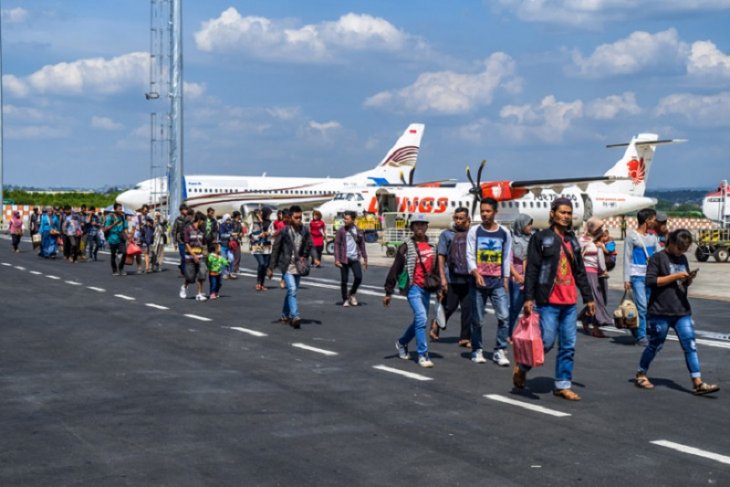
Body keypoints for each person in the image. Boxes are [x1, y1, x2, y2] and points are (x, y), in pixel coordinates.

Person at [516, 197, 595, 401]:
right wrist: (529, 298)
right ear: (553, 214)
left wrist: (588, 298)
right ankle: (524, 367)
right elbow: (532, 269)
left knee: (568, 345)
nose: (566, 216)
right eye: (562, 212)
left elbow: (580, 271)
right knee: (547, 341)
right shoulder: (541, 238)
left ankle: (563, 384)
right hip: (548, 301)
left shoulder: (572, 240)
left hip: (569, 302)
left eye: (569, 213)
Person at [634, 229, 719, 396]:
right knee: (655, 345)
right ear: (670, 242)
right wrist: (675, 276)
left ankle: (697, 382)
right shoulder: (657, 258)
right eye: (679, 248)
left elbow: (682, 284)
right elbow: (651, 281)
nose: (681, 252)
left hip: (681, 309)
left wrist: (687, 279)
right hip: (660, 310)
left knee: (690, 345)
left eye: (684, 249)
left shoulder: (683, 259)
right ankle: (641, 373)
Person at [384, 215, 438, 368]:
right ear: (412, 228)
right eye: (416, 225)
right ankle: (423, 355)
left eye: (423, 224)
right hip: (413, 287)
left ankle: (402, 343)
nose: (420, 227)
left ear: (427, 227)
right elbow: (396, 268)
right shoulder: (406, 246)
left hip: (427, 288)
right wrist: (389, 291)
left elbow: (437, 269)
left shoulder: (432, 245)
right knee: (421, 318)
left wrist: (440, 288)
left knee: (419, 322)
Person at [466, 198, 512, 367]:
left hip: (497, 281)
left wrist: (506, 278)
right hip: (478, 282)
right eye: (482, 211)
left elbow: (507, 256)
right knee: (478, 319)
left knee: (504, 316)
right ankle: (477, 349)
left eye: (488, 211)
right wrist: (475, 272)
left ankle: (500, 350)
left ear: (495, 212)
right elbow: (469, 254)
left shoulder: (504, 232)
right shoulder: (474, 231)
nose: (484, 214)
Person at [430, 207, 472, 347]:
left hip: (468, 277)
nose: (458, 221)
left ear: (468, 220)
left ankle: (465, 338)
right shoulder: (446, 235)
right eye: (456, 218)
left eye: (462, 218)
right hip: (451, 277)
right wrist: (442, 278)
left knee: (467, 308)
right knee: (450, 306)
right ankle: (436, 323)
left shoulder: (472, 234)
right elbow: (441, 257)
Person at [267, 205, 313, 329]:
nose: (299, 219)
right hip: (287, 265)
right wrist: (271, 267)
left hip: (298, 266)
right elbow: (276, 249)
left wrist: (310, 256)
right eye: (296, 217)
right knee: (292, 289)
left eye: (300, 217)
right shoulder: (284, 231)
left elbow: (310, 243)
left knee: (292, 291)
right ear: (291, 218)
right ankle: (295, 316)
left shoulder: (304, 230)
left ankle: (284, 314)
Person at [623, 208, 658, 346]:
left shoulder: (653, 238)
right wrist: (626, 279)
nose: (655, 222)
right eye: (653, 219)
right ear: (647, 220)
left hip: (650, 277)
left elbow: (659, 255)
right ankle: (641, 336)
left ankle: (639, 329)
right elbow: (627, 258)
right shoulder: (631, 237)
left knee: (649, 306)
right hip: (637, 277)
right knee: (642, 306)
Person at [578, 217, 611, 338]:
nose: (602, 230)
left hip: (598, 273)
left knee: (600, 298)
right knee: (597, 299)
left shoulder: (596, 241)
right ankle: (596, 328)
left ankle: (585, 318)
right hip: (589, 272)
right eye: (599, 227)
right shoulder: (586, 241)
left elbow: (601, 259)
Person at [507, 214, 533, 340]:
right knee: (515, 308)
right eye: (528, 224)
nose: (530, 227)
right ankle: (508, 333)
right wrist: (517, 275)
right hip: (517, 279)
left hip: (530, 278)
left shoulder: (533, 239)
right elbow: (509, 261)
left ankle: (525, 333)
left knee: (531, 308)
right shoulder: (512, 240)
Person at [334, 210, 368, 307]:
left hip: (354, 258)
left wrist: (365, 258)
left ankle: (352, 293)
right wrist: (336, 259)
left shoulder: (358, 230)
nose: (344, 220)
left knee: (358, 277)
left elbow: (362, 245)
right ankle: (345, 299)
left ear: (353, 220)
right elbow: (336, 245)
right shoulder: (341, 231)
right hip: (343, 258)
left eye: (347, 219)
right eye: (344, 218)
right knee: (344, 280)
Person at [181, 211, 208, 301]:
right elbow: (186, 243)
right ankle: (184, 287)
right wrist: (193, 255)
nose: (204, 223)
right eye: (203, 221)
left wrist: (205, 253)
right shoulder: (188, 229)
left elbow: (204, 243)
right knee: (190, 277)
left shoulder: (202, 231)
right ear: (199, 220)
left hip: (200, 256)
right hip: (190, 256)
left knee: (202, 275)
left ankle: (199, 294)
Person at [250, 208, 273, 292]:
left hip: (267, 246)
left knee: (265, 265)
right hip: (257, 246)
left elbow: (272, 232)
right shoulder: (254, 223)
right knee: (262, 263)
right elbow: (250, 235)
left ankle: (262, 284)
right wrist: (258, 236)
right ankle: (258, 283)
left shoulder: (270, 223)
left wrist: (268, 233)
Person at [103, 203, 128, 276]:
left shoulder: (122, 217)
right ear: (115, 209)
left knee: (125, 253)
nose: (121, 210)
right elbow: (106, 229)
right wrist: (115, 223)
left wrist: (128, 237)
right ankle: (114, 270)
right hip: (112, 238)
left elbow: (125, 228)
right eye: (119, 209)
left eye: (121, 209)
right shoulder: (110, 217)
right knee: (113, 255)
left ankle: (121, 268)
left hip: (121, 238)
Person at [228, 211, 244, 277]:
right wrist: (236, 235)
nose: (240, 216)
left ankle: (236, 268)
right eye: (239, 215)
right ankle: (233, 269)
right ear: (237, 216)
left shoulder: (239, 223)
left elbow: (241, 231)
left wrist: (241, 234)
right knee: (232, 256)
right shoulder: (232, 223)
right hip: (232, 241)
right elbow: (230, 231)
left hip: (237, 241)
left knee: (238, 256)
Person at [218, 214, 232, 279]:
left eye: (229, 219)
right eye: (227, 219)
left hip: (229, 245)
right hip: (223, 245)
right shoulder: (221, 226)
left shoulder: (230, 226)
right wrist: (230, 235)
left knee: (231, 258)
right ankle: (224, 273)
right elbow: (222, 235)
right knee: (223, 260)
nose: (228, 221)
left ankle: (229, 272)